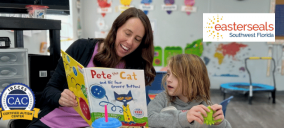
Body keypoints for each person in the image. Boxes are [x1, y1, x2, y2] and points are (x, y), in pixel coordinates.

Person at [28, 7, 156, 128]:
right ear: (116, 28)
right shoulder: (81, 48)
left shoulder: (136, 66)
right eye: (127, 33)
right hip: (56, 122)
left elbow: (144, 109)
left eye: (137, 39)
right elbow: (49, 89)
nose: (129, 42)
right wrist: (59, 97)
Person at [148, 54, 232, 128]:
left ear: (194, 81)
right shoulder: (162, 98)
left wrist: (219, 123)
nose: (168, 79)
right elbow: (149, 118)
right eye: (168, 74)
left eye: (176, 76)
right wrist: (184, 117)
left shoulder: (204, 104)